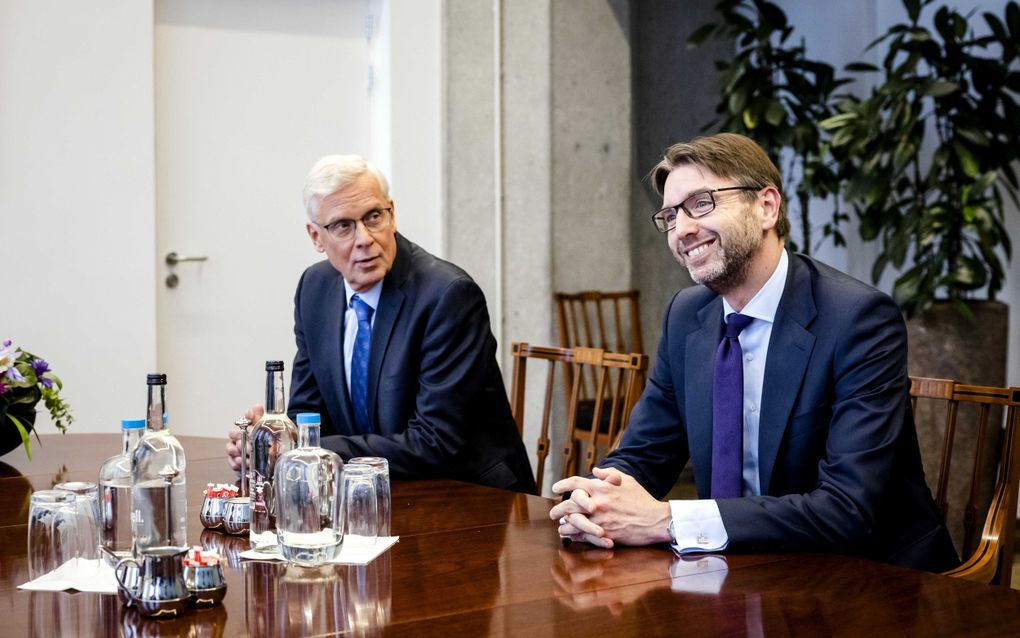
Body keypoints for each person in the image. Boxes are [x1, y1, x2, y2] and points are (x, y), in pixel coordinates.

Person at [550, 133, 959, 572]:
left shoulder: (858, 318)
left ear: (766, 206)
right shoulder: (687, 315)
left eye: (701, 203)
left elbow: (847, 509)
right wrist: (596, 502)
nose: (682, 230)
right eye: (670, 216)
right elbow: (644, 452)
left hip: (870, 579)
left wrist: (667, 520)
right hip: (739, 569)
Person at [226, 155, 536, 494]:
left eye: (374, 217)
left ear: (392, 214)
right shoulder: (314, 290)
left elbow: (435, 443)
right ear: (316, 237)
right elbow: (309, 412)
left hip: (470, 498)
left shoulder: (447, 296)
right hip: (374, 495)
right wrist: (272, 442)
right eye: (343, 225)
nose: (364, 239)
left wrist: (304, 450)